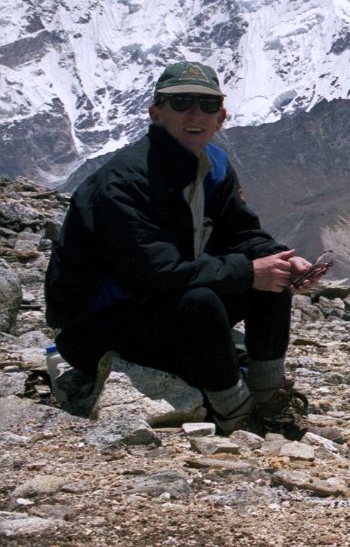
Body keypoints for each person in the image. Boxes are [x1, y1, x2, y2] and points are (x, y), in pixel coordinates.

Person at [44, 61, 324, 438]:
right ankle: (236, 415)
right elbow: (152, 272)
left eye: (207, 105)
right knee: (203, 300)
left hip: (160, 306)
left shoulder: (214, 166)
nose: (195, 114)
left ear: (221, 117)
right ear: (155, 113)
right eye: (181, 103)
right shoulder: (125, 181)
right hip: (93, 326)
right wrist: (247, 272)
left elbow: (241, 233)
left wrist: (284, 261)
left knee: (271, 281)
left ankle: (270, 399)